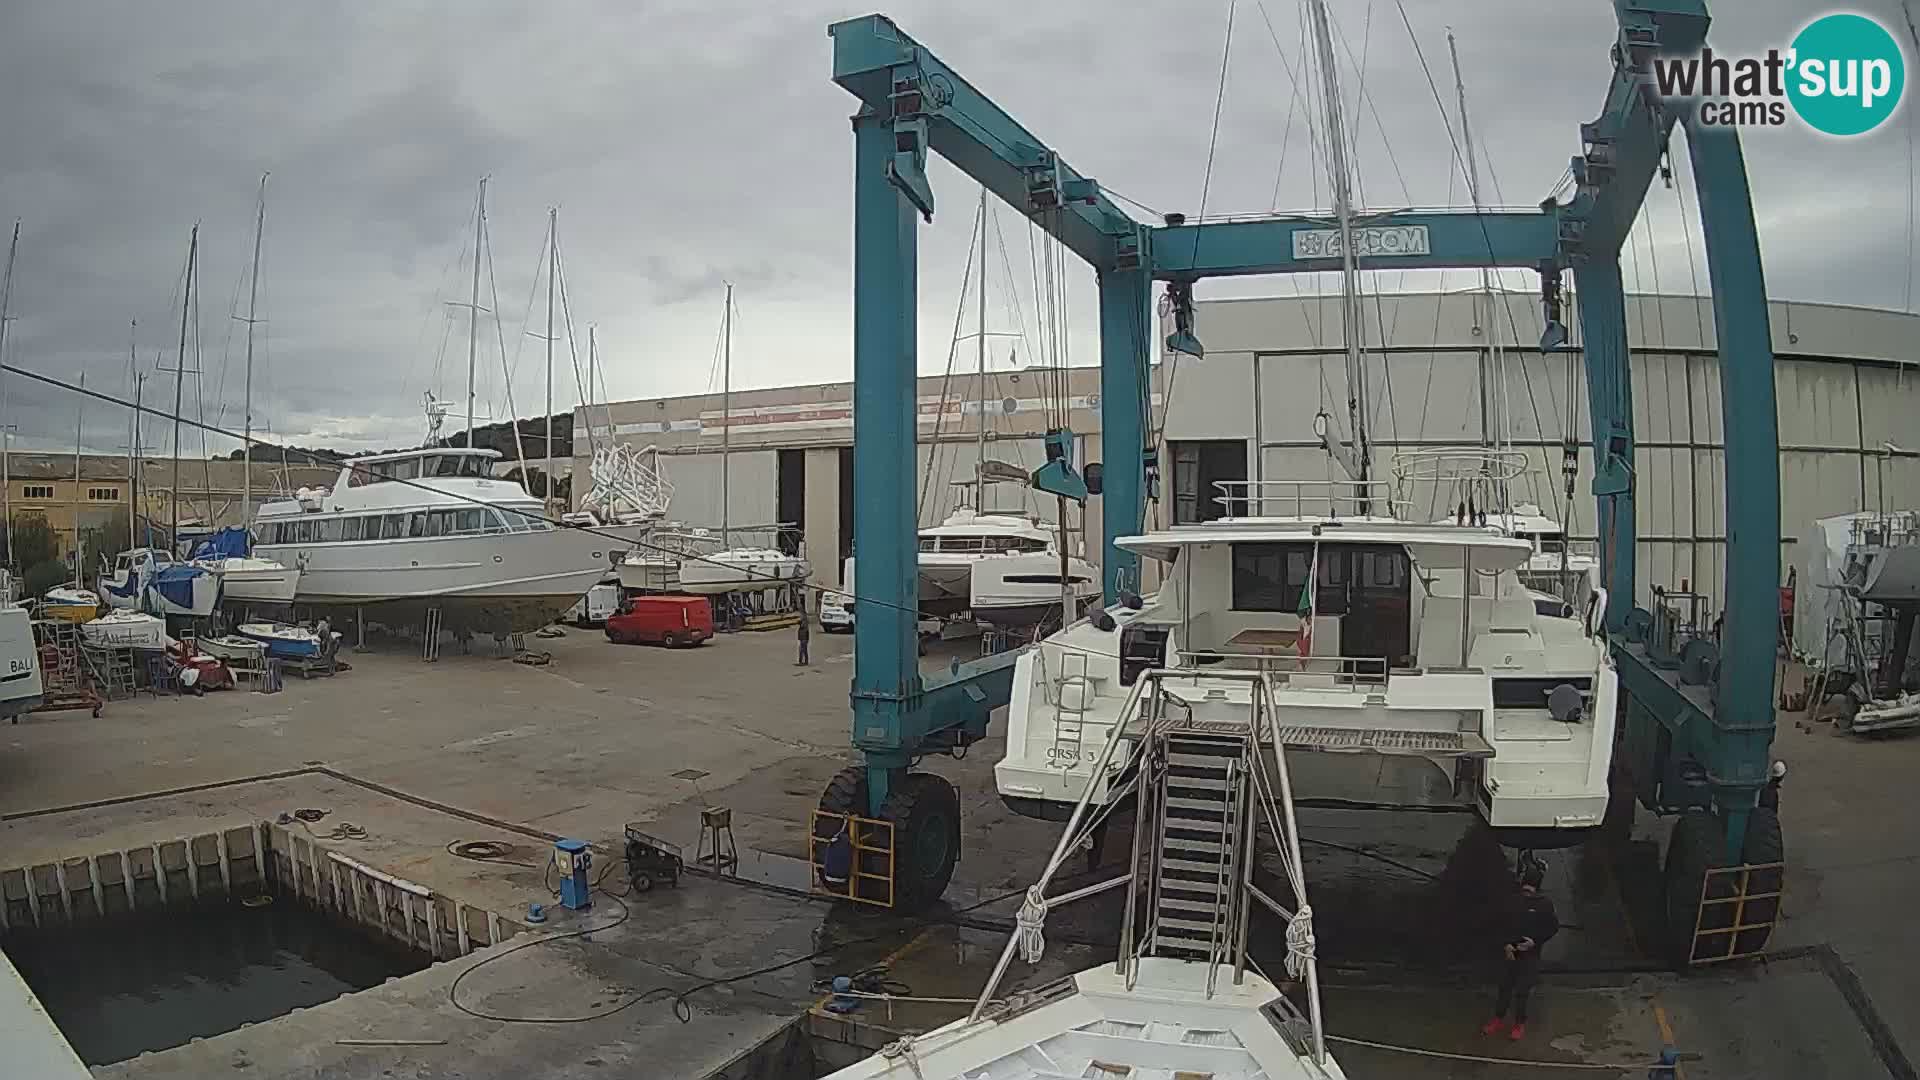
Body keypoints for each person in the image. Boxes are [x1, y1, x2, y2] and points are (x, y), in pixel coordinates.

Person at [1483, 865, 1559, 1041]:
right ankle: (1498, 1019)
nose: (1527, 892)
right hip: (1510, 953)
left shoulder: (1544, 904)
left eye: (1530, 889)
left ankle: (1519, 1023)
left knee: (1522, 990)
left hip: (1530, 955)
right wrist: (1506, 945)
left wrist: (1535, 942)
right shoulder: (1511, 901)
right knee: (1504, 987)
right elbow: (1499, 924)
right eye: (1525, 888)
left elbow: (1552, 927)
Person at [795, 587, 811, 667]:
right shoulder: (804, 616)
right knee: (803, 649)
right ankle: (804, 661)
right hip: (803, 635)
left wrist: (796, 596)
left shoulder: (804, 616)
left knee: (802, 649)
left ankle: (802, 662)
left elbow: (799, 606)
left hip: (804, 636)